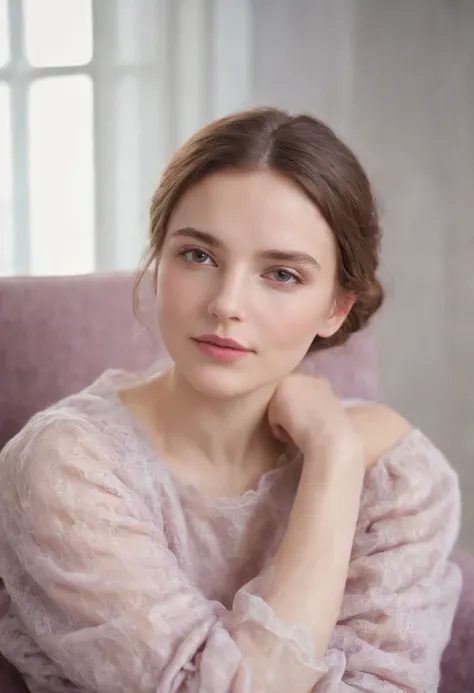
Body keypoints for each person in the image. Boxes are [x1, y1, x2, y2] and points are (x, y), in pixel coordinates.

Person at [0, 108, 462, 692]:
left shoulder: (400, 475)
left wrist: (336, 458)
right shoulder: (65, 468)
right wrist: (334, 462)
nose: (227, 303)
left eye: (283, 274)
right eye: (199, 256)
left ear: (336, 309)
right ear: (159, 259)